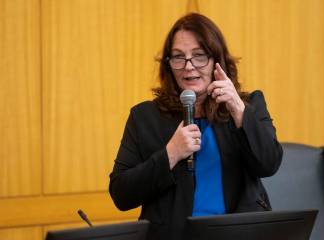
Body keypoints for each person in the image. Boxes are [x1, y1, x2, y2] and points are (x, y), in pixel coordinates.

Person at [109, 13, 283, 240]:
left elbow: (269, 164)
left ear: (216, 61)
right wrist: (170, 154)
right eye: (178, 57)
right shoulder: (145, 117)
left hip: (240, 234)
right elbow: (121, 194)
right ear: (168, 65)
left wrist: (238, 110)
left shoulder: (248, 105)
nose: (188, 67)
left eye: (199, 56)